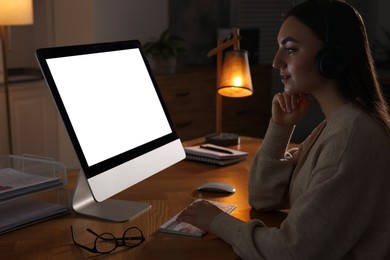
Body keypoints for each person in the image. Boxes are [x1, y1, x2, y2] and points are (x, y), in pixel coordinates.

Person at [177, 0, 390, 259]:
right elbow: (264, 197)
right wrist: (280, 128)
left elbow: (291, 251)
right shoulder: (338, 124)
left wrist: (217, 222)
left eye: (290, 49)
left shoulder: (353, 138)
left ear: (332, 58)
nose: (276, 61)